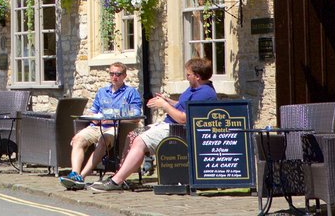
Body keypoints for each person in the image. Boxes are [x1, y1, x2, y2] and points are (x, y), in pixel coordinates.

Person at [89, 57, 217, 193]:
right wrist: (168, 101)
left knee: (139, 141)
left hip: (179, 130)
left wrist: (165, 106)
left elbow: (183, 119)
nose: (187, 77)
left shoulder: (204, 93)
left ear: (197, 76)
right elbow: (183, 106)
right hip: (169, 125)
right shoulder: (194, 88)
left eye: (189, 74)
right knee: (132, 135)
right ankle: (120, 176)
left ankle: (116, 181)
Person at [60, 62, 142, 190]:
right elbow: (94, 111)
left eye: (118, 74)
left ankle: (81, 177)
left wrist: (114, 115)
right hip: (97, 126)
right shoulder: (102, 92)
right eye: (112, 74)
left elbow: (136, 115)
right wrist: (94, 116)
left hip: (116, 128)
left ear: (124, 76)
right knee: (78, 139)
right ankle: (74, 174)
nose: (114, 77)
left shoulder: (131, 93)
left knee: (103, 141)